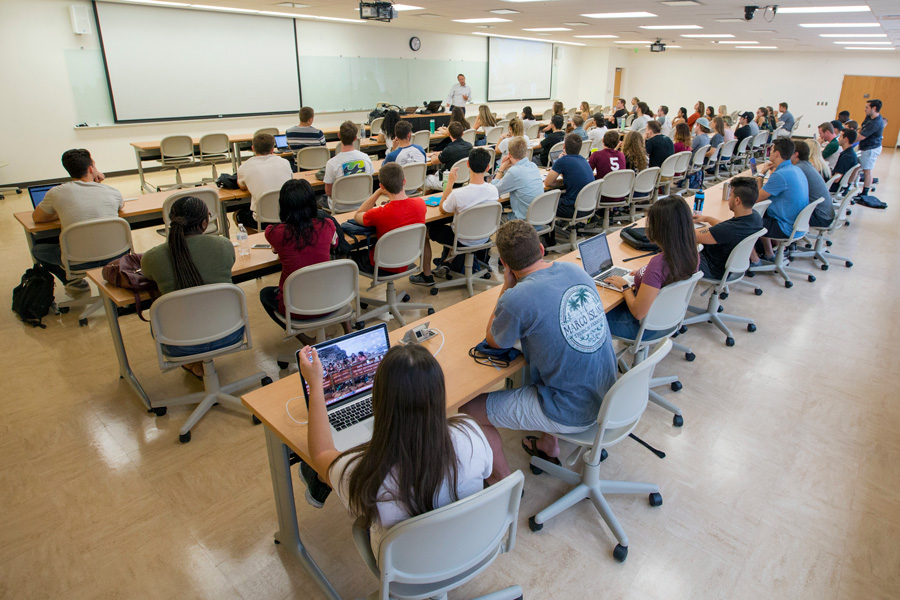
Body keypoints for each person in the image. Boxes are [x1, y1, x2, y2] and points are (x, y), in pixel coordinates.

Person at [458, 220, 617, 484]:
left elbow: (495, 341)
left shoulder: (517, 298)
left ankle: (502, 482)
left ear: (505, 265)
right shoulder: (574, 270)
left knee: (468, 407)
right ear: (542, 250)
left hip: (571, 411)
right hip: (608, 396)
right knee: (543, 360)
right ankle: (548, 445)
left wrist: (507, 285)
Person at [296, 343, 493, 551]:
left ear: (379, 401)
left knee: (314, 467)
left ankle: (316, 482)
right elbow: (487, 472)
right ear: (438, 394)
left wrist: (315, 384)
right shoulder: (470, 433)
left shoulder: (363, 475)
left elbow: (321, 454)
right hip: (468, 550)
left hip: (404, 572)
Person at [141, 196, 237, 378]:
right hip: (229, 334)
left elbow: (148, 277)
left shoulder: (153, 258)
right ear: (204, 223)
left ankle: (194, 363)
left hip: (179, 343)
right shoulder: (224, 246)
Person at [259, 179, 351, 342]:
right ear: (312, 202)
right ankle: (349, 331)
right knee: (333, 282)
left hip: (297, 309)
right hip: (333, 300)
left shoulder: (274, 232)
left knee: (265, 294)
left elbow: (277, 248)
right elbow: (335, 244)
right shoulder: (327, 225)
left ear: (283, 205)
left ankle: (305, 339)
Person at [603, 196, 699, 339]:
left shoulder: (658, 265)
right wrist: (645, 273)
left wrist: (625, 287)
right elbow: (666, 275)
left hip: (643, 327)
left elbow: (638, 313)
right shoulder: (692, 253)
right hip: (668, 318)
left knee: (594, 317)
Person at [31, 149, 125, 291]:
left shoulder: (56, 193)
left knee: (38, 250)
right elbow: (118, 205)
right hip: (117, 257)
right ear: (91, 168)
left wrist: (61, 210)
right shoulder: (112, 192)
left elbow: (37, 218)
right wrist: (97, 183)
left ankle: (73, 283)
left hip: (77, 263)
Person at [411, 148, 499, 285]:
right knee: (453, 226)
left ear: (468, 164)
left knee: (425, 231)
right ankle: (446, 261)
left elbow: (442, 209)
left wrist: (450, 183)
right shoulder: (494, 190)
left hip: (461, 240)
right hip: (484, 237)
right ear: (488, 167)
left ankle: (426, 275)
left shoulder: (459, 194)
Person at [348, 162, 426, 275]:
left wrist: (377, 193)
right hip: (407, 259)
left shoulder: (379, 213)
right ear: (404, 181)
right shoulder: (420, 204)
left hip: (381, 265)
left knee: (346, 255)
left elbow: (358, 214)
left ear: (382, 186)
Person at [693, 176, 763, 280]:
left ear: (737, 200)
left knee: (673, 243)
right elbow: (724, 227)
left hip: (711, 267)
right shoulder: (755, 217)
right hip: (727, 265)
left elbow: (693, 235)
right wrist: (707, 218)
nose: (728, 198)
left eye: (730, 196)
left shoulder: (728, 230)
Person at [753, 138, 808, 262]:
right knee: (762, 214)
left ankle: (754, 260)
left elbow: (757, 198)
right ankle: (769, 253)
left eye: (771, 150)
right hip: (795, 224)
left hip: (784, 226)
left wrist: (761, 174)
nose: (770, 153)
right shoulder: (795, 169)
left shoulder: (781, 175)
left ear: (776, 154)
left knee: (746, 221)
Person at [234, 132, 292, 230]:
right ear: (273, 149)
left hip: (262, 221)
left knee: (237, 214)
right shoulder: (285, 162)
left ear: (253, 148)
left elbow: (242, 186)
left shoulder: (245, 167)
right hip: (287, 217)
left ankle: (257, 241)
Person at [491, 136, 544, 221]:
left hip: (523, 223)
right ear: (526, 153)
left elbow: (493, 191)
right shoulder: (533, 165)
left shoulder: (514, 172)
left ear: (509, 155)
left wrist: (501, 169)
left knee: (495, 219)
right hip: (539, 218)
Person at [324, 122, 374, 207]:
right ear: (355, 138)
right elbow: (370, 182)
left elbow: (328, 192)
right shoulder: (366, 158)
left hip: (340, 206)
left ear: (339, 135)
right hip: (363, 204)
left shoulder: (332, 163)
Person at [545, 133, 594, 219]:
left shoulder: (563, 161)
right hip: (588, 206)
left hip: (573, 209)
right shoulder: (583, 160)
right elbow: (570, 179)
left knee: (544, 202)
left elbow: (548, 183)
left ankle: (548, 231)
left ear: (564, 147)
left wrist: (558, 162)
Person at [791, 138, 835, 229]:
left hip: (820, 216)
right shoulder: (807, 165)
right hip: (825, 213)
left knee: (779, 211)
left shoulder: (800, 168)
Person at [425, 121, 473, 189]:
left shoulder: (449, 149)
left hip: (447, 181)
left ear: (449, 134)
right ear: (462, 133)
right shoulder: (469, 146)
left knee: (426, 179)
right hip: (463, 180)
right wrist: (440, 153)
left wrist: (433, 153)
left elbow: (433, 161)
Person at [856, 99, 884, 200]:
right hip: (865, 146)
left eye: (867, 107)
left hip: (871, 148)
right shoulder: (869, 117)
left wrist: (848, 141)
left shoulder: (876, 123)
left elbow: (861, 136)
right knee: (857, 166)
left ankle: (865, 193)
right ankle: (848, 186)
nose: (865, 109)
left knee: (867, 170)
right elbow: (861, 127)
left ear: (874, 108)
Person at [829, 129, 858, 194]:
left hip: (834, 186)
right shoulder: (850, 153)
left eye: (841, 136)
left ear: (846, 139)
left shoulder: (847, 157)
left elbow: (836, 179)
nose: (838, 138)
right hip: (839, 185)